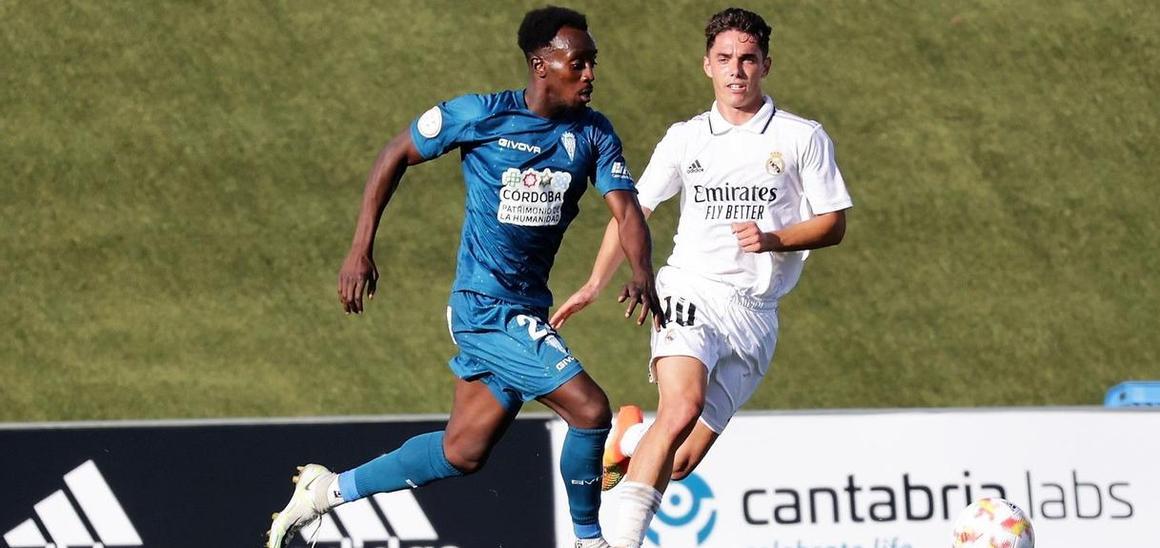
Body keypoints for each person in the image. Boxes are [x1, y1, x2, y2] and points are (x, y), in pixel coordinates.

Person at [265, 7, 663, 548]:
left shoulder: (593, 133)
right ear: (540, 65)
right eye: (579, 63)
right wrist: (361, 248)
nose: (591, 74)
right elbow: (394, 153)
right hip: (485, 307)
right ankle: (589, 542)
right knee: (591, 411)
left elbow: (627, 210)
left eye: (593, 63)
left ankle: (324, 491)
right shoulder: (481, 115)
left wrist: (642, 271)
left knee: (463, 452)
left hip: (525, 309)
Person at [550, 7, 852, 546]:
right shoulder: (687, 138)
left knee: (682, 457)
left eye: (748, 59)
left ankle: (630, 436)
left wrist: (774, 239)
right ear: (706, 66)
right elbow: (632, 210)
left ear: (766, 65)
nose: (737, 70)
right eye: (725, 59)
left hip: (756, 315)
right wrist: (595, 283)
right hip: (691, 289)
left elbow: (834, 224)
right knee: (682, 407)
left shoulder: (802, 138)